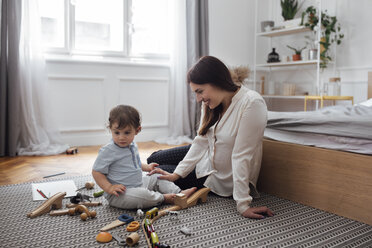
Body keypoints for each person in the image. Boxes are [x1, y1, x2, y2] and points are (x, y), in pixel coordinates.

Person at [148, 56, 274, 219]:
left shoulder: (252, 103)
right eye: (196, 93)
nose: (198, 99)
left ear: (216, 81)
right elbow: (200, 141)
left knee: (155, 179)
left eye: (200, 91)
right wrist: (177, 174)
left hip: (214, 175)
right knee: (154, 158)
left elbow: (241, 156)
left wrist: (243, 205)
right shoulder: (211, 103)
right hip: (207, 153)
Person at [92, 105, 196, 210]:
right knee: (142, 195)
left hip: (138, 184)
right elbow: (97, 172)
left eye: (127, 132)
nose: (121, 137)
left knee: (157, 177)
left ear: (137, 130)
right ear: (110, 129)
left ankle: (178, 193)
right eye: (116, 132)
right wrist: (109, 187)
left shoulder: (132, 145)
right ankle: (163, 198)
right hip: (119, 194)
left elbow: (134, 163)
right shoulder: (108, 151)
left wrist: (147, 167)